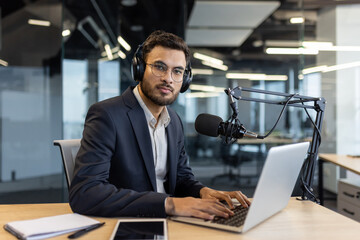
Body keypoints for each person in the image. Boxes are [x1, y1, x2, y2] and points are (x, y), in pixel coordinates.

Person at [69, 30, 251, 220]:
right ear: (139, 69)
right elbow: (85, 193)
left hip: (171, 221)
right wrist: (168, 203)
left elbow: (181, 178)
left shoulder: (173, 121)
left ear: (185, 79)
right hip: (130, 225)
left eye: (177, 71)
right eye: (159, 67)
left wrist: (203, 191)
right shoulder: (107, 115)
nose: (168, 78)